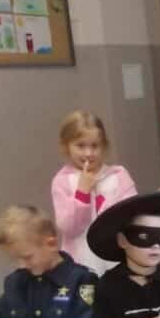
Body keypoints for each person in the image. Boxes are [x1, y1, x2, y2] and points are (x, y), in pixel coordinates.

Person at [50, 110, 139, 275]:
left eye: (95, 146)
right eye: (80, 146)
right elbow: (68, 228)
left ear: (104, 146)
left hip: (117, 261)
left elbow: (133, 216)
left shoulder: (119, 175)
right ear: (66, 146)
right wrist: (82, 193)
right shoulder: (62, 181)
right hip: (81, 267)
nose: (88, 153)